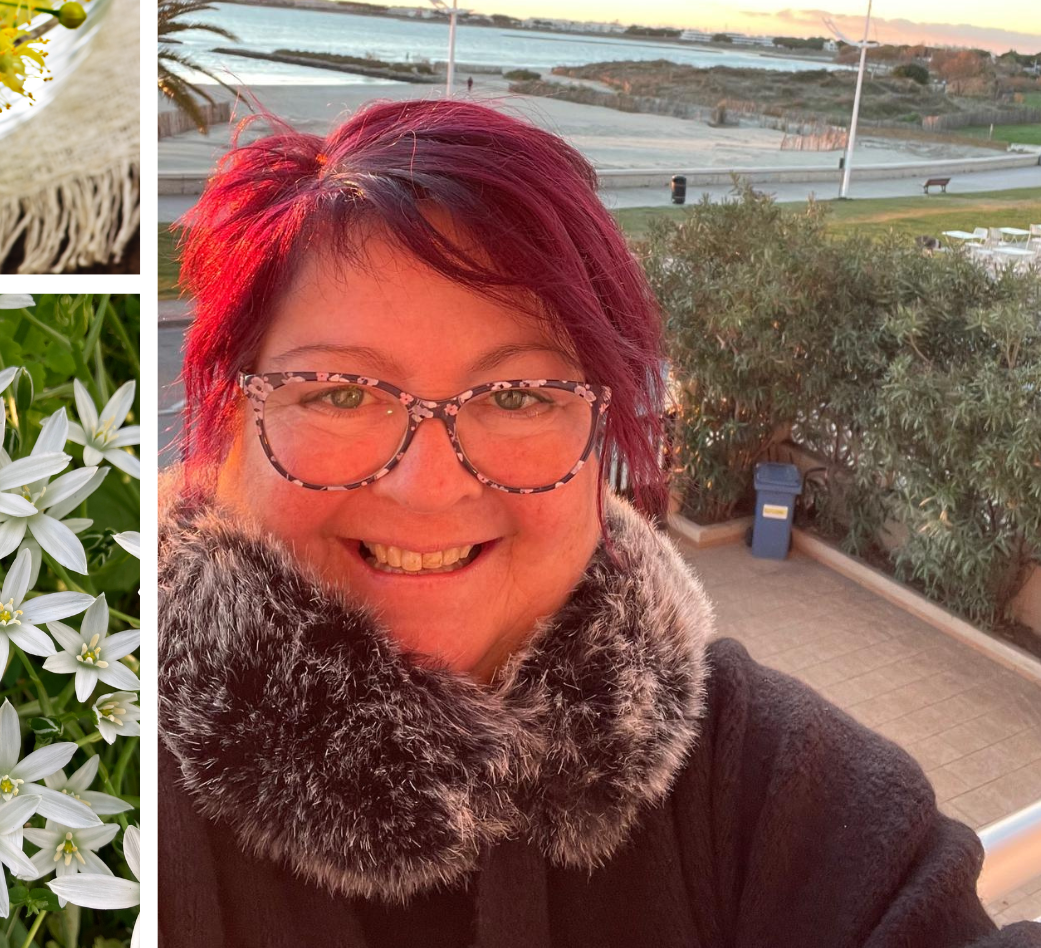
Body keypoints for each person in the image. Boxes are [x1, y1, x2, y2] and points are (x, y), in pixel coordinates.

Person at [160, 98, 1041, 948]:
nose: (426, 488)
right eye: (341, 393)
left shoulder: (759, 785)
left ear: (598, 442)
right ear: (228, 429)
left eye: (515, 396)